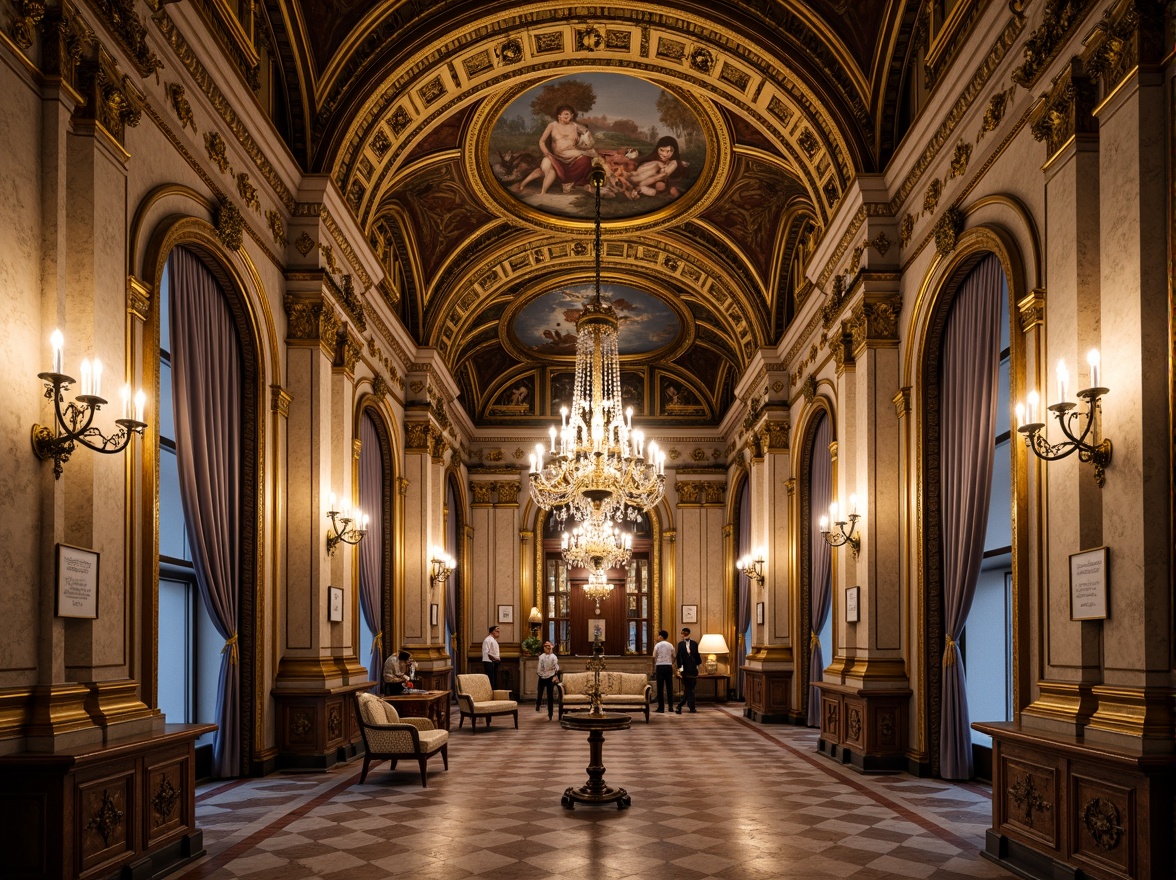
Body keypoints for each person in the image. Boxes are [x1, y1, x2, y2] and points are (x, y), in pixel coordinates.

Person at [514, 105, 596, 195]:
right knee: (547, 170)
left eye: (570, 115)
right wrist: (547, 153)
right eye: (566, 114)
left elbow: (588, 139)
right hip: (556, 156)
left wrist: (586, 137)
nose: (568, 116)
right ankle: (540, 191)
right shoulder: (552, 125)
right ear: (559, 116)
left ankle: (570, 184)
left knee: (586, 160)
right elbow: (541, 142)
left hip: (573, 156)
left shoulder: (575, 126)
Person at [675, 627, 701, 713]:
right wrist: (680, 668)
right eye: (682, 634)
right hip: (685, 669)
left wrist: (698, 667)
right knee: (689, 689)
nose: (682, 635)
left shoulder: (694, 643)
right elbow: (679, 657)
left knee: (690, 689)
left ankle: (681, 705)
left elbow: (697, 656)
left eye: (683, 633)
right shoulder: (680, 644)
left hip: (693, 669)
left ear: (686, 633)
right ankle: (691, 707)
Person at [535, 640, 561, 719]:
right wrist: (539, 673)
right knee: (540, 693)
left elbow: (556, 666)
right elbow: (539, 667)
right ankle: (538, 704)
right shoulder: (541, 656)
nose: (548, 648)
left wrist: (555, 675)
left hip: (550, 677)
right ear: (544, 648)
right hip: (542, 677)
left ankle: (550, 713)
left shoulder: (553, 657)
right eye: (546, 647)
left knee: (550, 696)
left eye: (549, 647)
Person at [652, 630, 675, 713]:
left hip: (660, 667)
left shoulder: (657, 645)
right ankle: (671, 706)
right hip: (668, 666)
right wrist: (671, 663)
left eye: (658, 636)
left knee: (660, 688)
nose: (657, 637)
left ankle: (661, 708)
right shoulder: (670, 645)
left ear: (661, 636)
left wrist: (656, 663)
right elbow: (674, 656)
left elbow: (654, 656)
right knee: (669, 687)